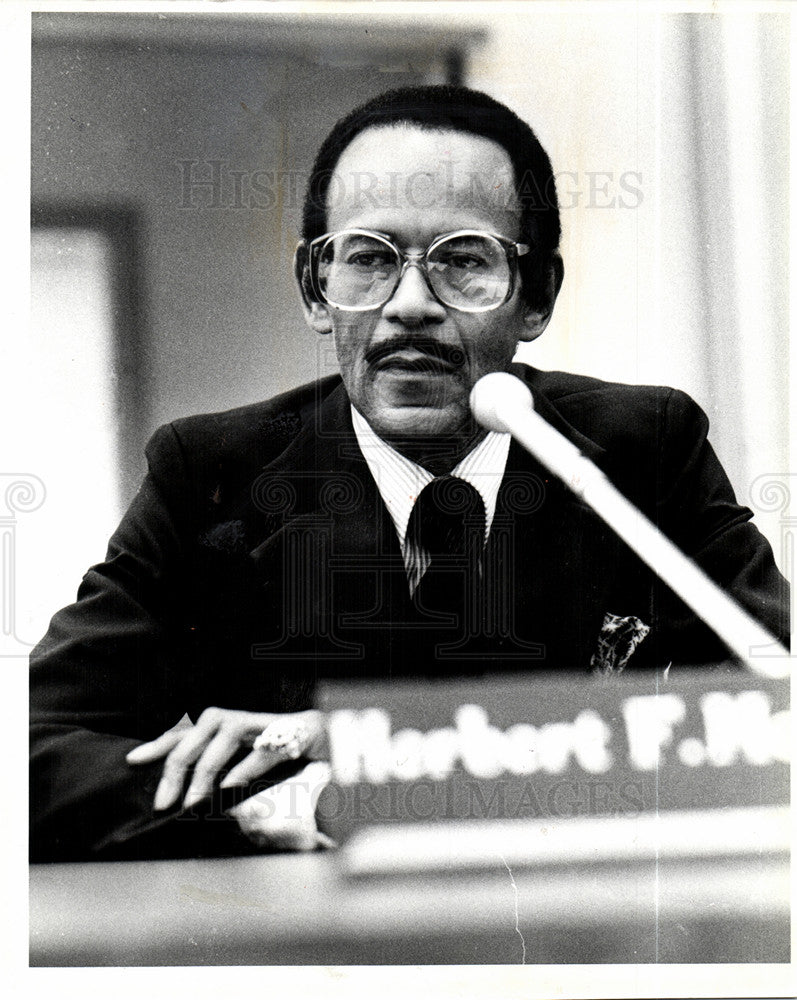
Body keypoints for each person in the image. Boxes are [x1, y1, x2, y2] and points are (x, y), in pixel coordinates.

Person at [30, 85, 789, 862]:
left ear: (536, 298)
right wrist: (288, 802)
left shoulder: (644, 451)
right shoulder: (212, 474)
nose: (411, 305)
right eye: (368, 260)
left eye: (464, 261)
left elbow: (770, 716)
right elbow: (32, 756)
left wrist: (378, 765)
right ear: (314, 289)